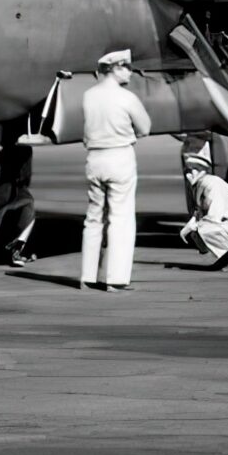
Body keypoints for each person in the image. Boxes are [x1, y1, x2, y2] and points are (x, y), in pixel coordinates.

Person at [78, 49, 151, 291]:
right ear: (117, 68)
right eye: (127, 67)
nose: (130, 72)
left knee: (93, 218)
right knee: (121, 219)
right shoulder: (126, 98)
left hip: (94, 158)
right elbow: (145, 128)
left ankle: (88, 277)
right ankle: (115, 279)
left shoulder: (89, 96)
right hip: (120, 157)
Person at [179, 152, 228, 271]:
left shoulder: (211, 183)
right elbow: (198, 214)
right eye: (188, 170)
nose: (190, 174)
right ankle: (226, 259)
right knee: (197, 231)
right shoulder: (198, 186)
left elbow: (215, 214)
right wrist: (187, 231)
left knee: (204, 229)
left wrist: (196, 227)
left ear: (203, 170)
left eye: (195, 169)